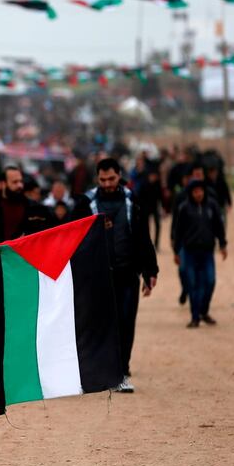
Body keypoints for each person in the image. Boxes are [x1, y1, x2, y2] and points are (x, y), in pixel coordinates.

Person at [73, 158, 159, 393]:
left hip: (127, 274)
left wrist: (150, 270)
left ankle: (120, 373)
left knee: (125, 323)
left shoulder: (133, 201)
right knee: (96, 324)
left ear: (120, 175)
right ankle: (94, 373)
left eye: (112, 179)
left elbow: (143, 237)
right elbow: (74, 241)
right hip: (97, 277)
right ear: (97, 179)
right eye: (103, 180)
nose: (108, 183)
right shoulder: (85, 204)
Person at [173, 180, 228, 328]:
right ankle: (195, 317)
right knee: (193, 285)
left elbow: (219, 226)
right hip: (190, 252)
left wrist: (222, 244)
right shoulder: (184, 208)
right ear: (191, 193)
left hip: (207, 252)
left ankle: (204, 310)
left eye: (201, 191)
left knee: (210, 281)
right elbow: (178, 231)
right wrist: (177, 251)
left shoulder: (212, 206)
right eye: (195, 191)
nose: (198, 194)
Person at [0, 166, 52, 244]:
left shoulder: (33, 207)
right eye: (15, 182)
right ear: (4, 184)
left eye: (21, 181)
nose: (20, 185)